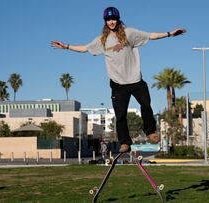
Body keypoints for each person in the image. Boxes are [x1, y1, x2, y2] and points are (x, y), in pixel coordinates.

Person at [51, 7, 186, 153]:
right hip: (118, 84)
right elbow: (85, 48)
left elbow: (150, 35)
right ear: (105, 22)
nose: (111, 22)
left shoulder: (130, 33)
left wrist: (169, 34)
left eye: (113, 19)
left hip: (135, 80)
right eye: (108, 20)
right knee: (120, 115)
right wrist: (66, 47)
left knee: (146, 104)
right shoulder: (102, 40)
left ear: (118, 19)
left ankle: (150, 131)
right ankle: (125, 142)